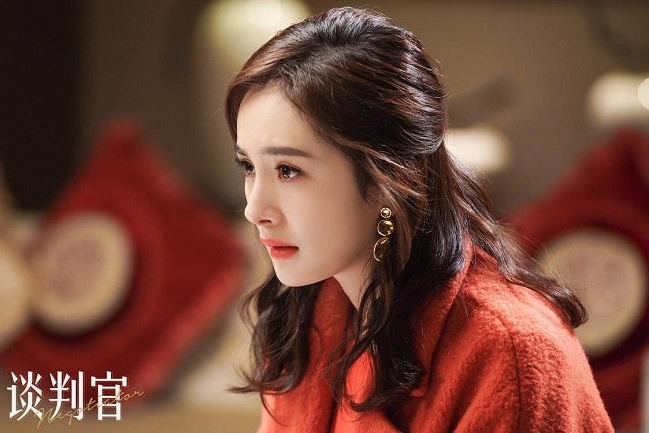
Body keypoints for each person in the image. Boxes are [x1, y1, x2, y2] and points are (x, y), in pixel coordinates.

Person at [224, 6, 615, 433]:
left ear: (390, 177)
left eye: (288, 170)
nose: (254, 209)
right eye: (248, 166)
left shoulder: (513, 352)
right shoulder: (307, 319)